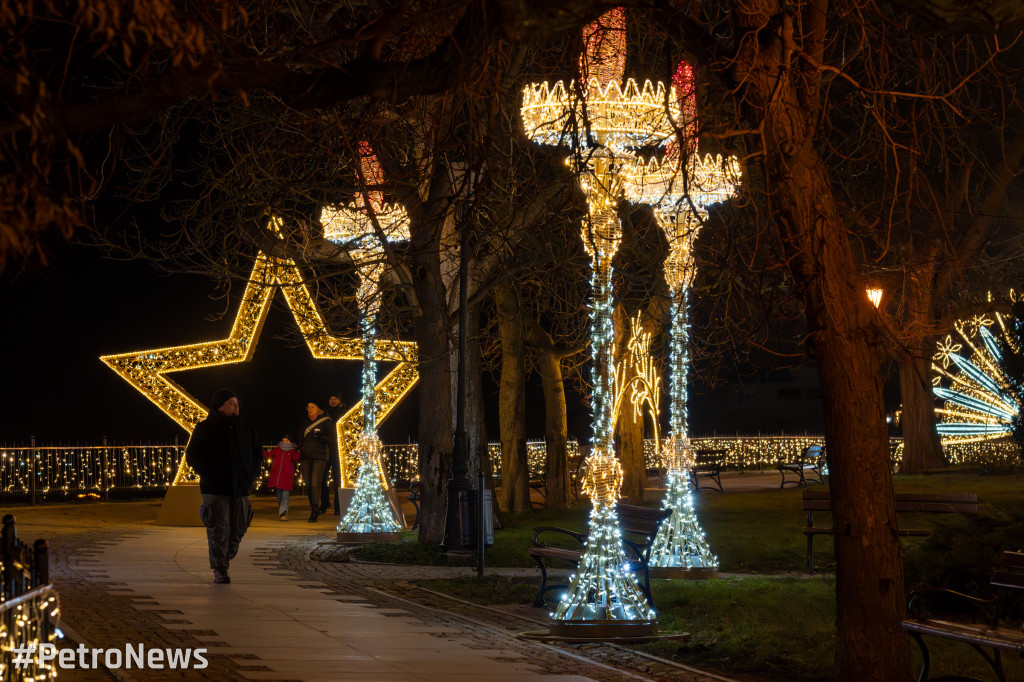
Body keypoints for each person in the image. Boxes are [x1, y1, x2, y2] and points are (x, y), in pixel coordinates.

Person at [185, 389, 262, 584]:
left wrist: (251, 474)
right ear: (220, 406)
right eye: (230, 403)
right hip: (215, 487)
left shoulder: (246, 427)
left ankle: (226, 556)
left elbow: (256, 453)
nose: (235, 407)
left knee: (239, 528)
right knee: (219, 529)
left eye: (236, 403)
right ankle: (220, 569)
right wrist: (207, 472)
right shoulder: (205, 428)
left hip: (241, 487)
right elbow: (193, 454)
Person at [298, 402, 333, 522]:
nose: (310, 409)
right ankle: (313, 504)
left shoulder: (326, 421)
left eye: (312, 407)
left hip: (320, 455)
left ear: (318, 409)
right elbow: (300, 437)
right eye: (308, 407)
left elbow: (332, 438)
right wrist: (301, 447)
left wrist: (322, 437)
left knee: (315, 483)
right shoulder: (305, 422)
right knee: (308, 484)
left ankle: (315, 508)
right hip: (306, 455)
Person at [265, 435, 301, 521]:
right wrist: (260, 451)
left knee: (285, 497)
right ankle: (282, 512)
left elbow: (296, 459)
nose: (284, 442)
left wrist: (297, 451)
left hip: (286, 478)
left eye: (287, 441)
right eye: (283, 440)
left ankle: (283, 514)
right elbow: (269, 454)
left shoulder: (292, 451)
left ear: (291, 443)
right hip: (277, 477)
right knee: (279, 497)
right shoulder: (277, 450)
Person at [321, 394, 345, 515]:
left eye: (335, 399)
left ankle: (338, 506)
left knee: (338, 480)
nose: (333, 401)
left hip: (338, 450)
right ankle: (324, 503)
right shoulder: (325, 413)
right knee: (321, 478)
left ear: (340, 400)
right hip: (326, 448)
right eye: (331, 399)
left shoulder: (344, 411)